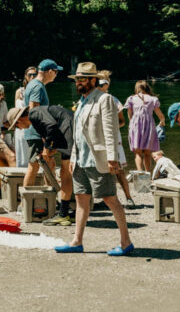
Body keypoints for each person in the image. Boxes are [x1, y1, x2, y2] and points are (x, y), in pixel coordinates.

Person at [51, 62, 133, 256]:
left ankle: (126, 241)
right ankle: (76, 241)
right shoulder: (82, 101)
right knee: (80, 198)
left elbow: (110, 129)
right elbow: (78, 133)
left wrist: (112, 158)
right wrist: (73, 157)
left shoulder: (104, 99)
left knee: (109, 198)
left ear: (93, 80)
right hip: (80, 160)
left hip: (98, 158)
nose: (78, 83)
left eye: (82, 79)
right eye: (77, 79)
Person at [7, 101, 74, 226]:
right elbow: (53, 131)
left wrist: (47, 149)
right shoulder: (35, 120)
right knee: (67, 171)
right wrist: (50, 150)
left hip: (69, 128)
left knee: (66, 173)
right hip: (67, 128)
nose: (19, 129)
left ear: (20, 119)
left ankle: (64, 214)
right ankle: (67, 211)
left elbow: (52, 126)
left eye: (17, 126)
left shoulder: (34, 113)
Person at [22, 58, 63, 188]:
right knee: (33, 166)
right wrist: (45, 136)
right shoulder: (37, 86)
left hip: (35, 133)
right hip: (36, 134)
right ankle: (24, 203)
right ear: (50, 71)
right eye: (56, 72)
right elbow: (34, 111)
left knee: (49, 164)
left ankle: (51, 196)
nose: (56, 75)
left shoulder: (35, 84)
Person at [97, 71, 135, 208]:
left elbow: (122, 122)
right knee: (99, 168)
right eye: (97, 84)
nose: (99, 87)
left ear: (107, 85)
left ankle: (129, 198)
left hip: (113, 138)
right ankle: (106, 198)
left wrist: (109, 127)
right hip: (97, 139)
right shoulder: (92, 99)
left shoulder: (113, 100)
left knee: (118, 169)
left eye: (102, 84)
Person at [124, 80, 166, 172]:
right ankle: (148, 175)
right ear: (147, 88)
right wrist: (162, 121)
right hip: (149, 125)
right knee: (147, 153)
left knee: (138, 153)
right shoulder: (153, 99)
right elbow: (160, 115)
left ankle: (140, 174)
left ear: (136, 88)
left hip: (136, 125)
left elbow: (130, 115)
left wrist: (132, 124)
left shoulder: (131, 98)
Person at [14, 67, 37, 166]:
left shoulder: (38, 90)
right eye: (30, 75)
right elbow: (15, 111)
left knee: (32, 157)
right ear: (25, 77)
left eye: (34, 75)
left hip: (32, 126)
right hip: (20, 126)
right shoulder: (19, 92)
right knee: (21, 156)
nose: (32, 77)